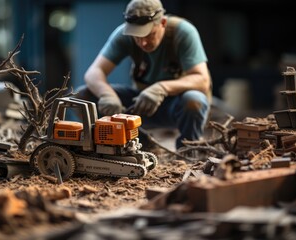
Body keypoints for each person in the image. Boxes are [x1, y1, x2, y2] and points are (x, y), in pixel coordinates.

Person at [77, 0, 212, 149]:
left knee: (194, 100)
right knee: (84, 96)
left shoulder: (183, 32)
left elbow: (202, 79)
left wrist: (161, 88)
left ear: (163, 22)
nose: (143, 43)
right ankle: (138, 144)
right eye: (137, 37)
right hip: (141, 104)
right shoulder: (123, 34)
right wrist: (107, 95)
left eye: (149, 35)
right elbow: (93, 72)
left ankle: (188, 150)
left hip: (177, 106)